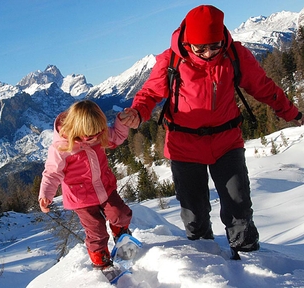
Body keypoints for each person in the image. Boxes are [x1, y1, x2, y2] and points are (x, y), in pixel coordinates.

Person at [121, 5, 303, 254]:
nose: (208, 53)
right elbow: (150, 93)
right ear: (188, 43)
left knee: (239, 207)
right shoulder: (171, 60)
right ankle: (205, 262)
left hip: (226, 141)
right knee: (193, 214)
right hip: (184, 146)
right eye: (201, 48)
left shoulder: (234, 55)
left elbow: (264, 87)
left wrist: (292, 113)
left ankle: (252, 262)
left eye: (214, 46)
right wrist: (138, 112)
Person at [38, 100, 132, 269]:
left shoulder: (98, 132)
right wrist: (46, 194)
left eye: (98, 132)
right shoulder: (63, 147)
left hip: (105, 187)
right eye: (89, 136)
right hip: (81, 198)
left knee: (121, 214)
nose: (95, 138)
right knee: (96, 231)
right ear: (76, 129)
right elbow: (52, 172)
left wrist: (122, 122)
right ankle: (101, 261)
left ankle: (121, 234)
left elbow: (117, 137)